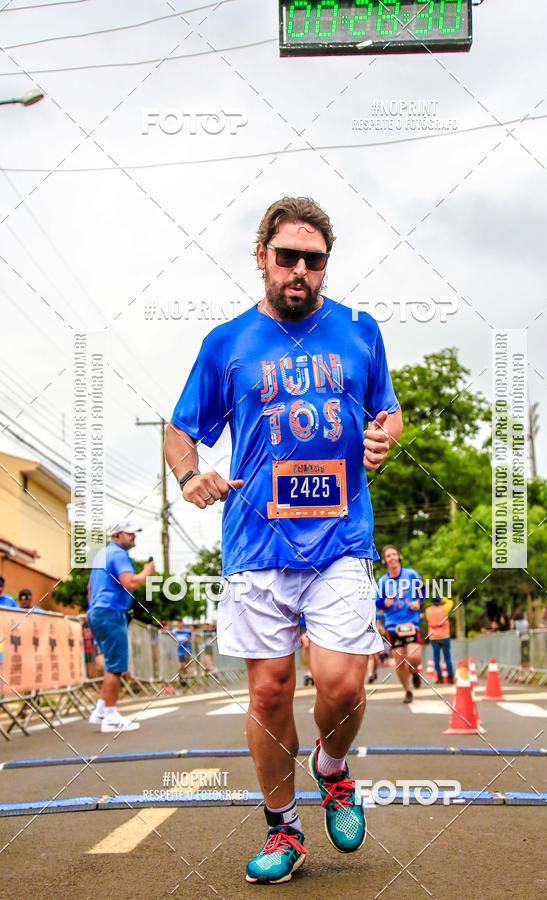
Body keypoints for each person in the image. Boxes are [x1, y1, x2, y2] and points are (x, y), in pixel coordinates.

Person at [165, 196, 402, 885]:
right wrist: (189, 475)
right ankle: (285, 830)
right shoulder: (226, 343)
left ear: (326, 265)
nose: (300, 271)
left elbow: (387, 408)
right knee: (269, 694)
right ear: (261, 257)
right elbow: (182, 429)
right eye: (287, 257)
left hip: (340, 541)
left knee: (343, 683)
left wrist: (386, 435)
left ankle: (331, 768)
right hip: (257, 545)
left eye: (314, 260)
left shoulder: (360, 331)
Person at [87, 520, 155, 732]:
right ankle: (111, 718)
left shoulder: (102, 554)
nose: (134, 536)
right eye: (130, 533)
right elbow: (130, 582)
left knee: (110, 662)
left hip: (97, 612)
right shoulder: (118, 554)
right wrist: (147, 572)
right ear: (117, 536)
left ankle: (100, 710)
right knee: (116, 666)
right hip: (110, 612)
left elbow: (90, 586)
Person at [375, 545, 423, 703]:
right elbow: (377, 602)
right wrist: (384, 603)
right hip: (392, 625)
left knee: (414, 655)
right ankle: (407, 690)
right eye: (388, 555)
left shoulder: (411, 574)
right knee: (399, 659)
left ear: (399, 556)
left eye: (394, 554)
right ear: (385, 560)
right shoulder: (382, 581)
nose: (392, 557)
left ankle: (415, 671)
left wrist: (418, 601)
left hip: (410, 621)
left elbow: (421, 591)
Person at [424, 595, 454, 683]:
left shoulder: (428, 610)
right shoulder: (444, 609)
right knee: (447, 658)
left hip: (434, 637)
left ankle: (440, 678)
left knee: (436, 658)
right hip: (445, 636)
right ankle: (450, 678)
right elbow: (450, 602)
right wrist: (443, 598)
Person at [172, 618, 194, 683]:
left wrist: (187, 640)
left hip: (187, 651)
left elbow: (191, 640)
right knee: (181, 666)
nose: (180, 624)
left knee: (187, 666)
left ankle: (187, 679)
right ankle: (182, 679)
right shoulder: (174, 631)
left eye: (181, 622)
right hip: (179, 652)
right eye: (178, 622)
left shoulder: (187, 631)